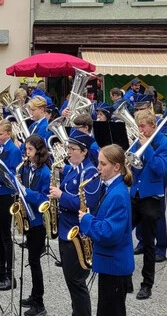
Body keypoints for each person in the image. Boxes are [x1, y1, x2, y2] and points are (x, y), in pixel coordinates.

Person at [78, 144, 135, 316]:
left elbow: (109, 233)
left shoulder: (118, 194)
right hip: (109, 265)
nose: (98, 168)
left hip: (114, 266)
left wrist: (87, 220)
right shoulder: (110, 187)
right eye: (99, 163)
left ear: (117, 167)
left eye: (103, 164)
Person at [48, 132, 101, 316]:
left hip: (77, 233)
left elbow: (87, 205)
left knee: (77, 283)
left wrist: (61, 196)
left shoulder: (90, 172)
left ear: (84, 152)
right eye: (68, 148)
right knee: (71, 282)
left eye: (72, 149)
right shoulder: (72, 169)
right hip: (65, 230)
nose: (68, 152)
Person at [128, 109, 167, 299]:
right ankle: (125, 277)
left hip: (152, 197)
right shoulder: (138, 140)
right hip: (134, 193)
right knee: (122, 235)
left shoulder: (166, 143)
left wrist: (147, 146)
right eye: (138, 126)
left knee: (148, 243)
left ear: (153, 126)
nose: (140, 130)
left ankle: (147, 284)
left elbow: (160, 169)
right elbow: (130, 162)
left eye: (143, 126)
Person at [19, 135, 52, 316]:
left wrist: (26, 192)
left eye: (30, 150)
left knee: (34, 261)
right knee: (31, 261)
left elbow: (43, 199)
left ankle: (39, 303)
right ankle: (33, 295)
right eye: (26, 149)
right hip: (29, 218)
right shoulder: (25, 167)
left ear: (38, 151)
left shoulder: (45, 173)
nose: (27, 153)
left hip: (39, 221)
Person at [0, 120, 21, 291]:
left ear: (8, 133)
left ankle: (10, 275)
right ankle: (1, 270)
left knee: (6, 235)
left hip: (6, 194)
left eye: (0, 134)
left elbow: (13, 173)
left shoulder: (13, 150)